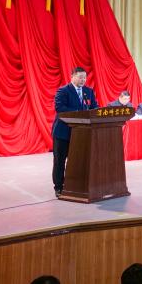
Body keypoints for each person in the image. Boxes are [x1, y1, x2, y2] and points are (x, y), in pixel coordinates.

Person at [52, 67, 98, 196]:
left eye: (85, 77)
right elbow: (60, 108)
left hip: (82, 133)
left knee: (79, 160)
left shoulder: (88, 91)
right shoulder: (63, 91)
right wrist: (80, 113)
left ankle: (76, 185)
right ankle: (59, 187)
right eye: (80, 77)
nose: (83, 80)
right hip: (63, 133)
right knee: (60, 161)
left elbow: (94, 107)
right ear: (72, 77)